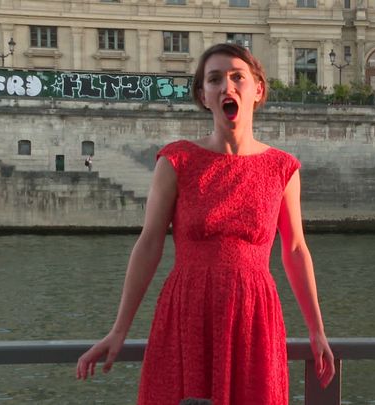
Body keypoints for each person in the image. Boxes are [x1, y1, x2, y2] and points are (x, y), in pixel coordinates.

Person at [75, 43, 335, 405]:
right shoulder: (177, 160)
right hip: (187, 313)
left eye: (237, 77)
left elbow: (294, 250)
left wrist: (317, 331)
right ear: (203, 95)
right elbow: (149, 244)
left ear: (257, 89)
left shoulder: (282, 169)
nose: (227, 86)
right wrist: (120, 330)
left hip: (253, 316)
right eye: (215, 79)